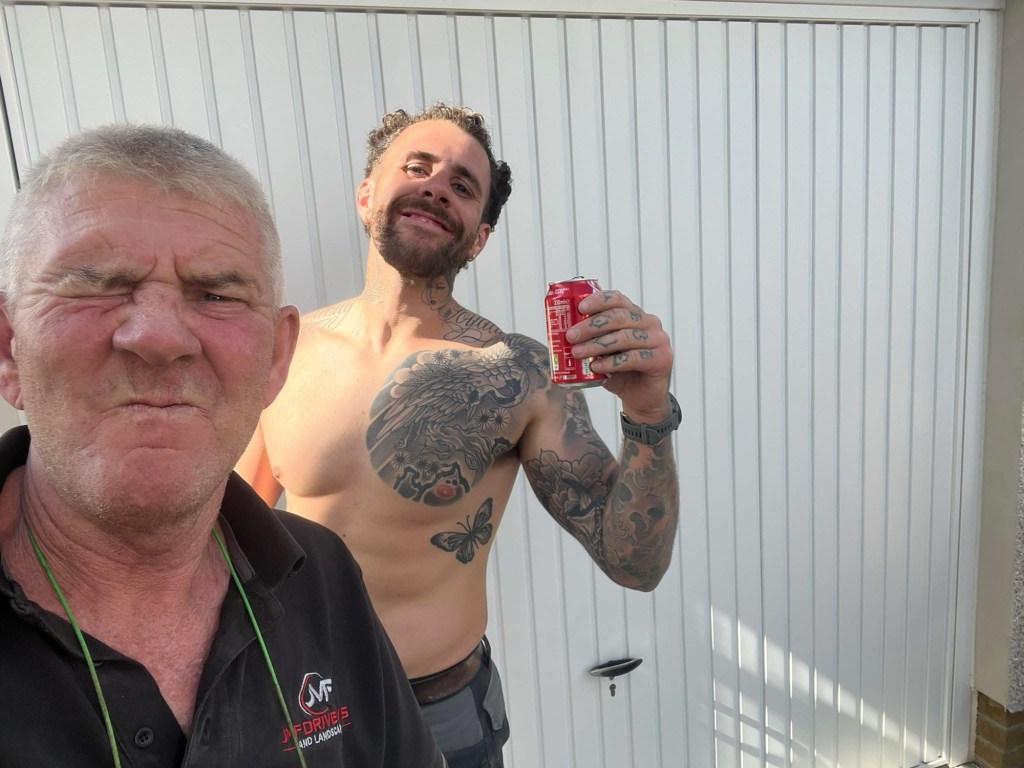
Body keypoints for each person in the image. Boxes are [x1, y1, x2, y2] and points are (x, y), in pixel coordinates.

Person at [237, 103, 680, 768]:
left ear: (479, 237)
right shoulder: (284, 349)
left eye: (463, 186)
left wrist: (647, 413)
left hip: (441, 715)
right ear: (367, 195)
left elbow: (634, 563)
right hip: (301, 702)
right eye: (417, 167)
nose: (438, 186)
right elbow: (227, 531)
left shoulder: (518, 374)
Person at [0, 124, 445, 767]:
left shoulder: (322, 578)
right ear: (9, 346)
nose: (159, 337)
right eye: (97, 285)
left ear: (275, 357)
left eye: (215, 294)